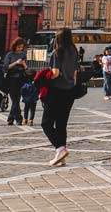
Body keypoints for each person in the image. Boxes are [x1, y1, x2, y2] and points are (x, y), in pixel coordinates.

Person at [41, 28, 79, 167]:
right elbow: (75, 74)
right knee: (61, 124)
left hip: (56, 90)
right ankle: (60, 156)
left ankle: (60, 148)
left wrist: (45, 75)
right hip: (70, 91)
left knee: (46, 123)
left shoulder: (57, 52)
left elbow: (55, 73)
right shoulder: (74, 51)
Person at [3, 38, 29, 126]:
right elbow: (6, 67)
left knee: (16, 99)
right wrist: (16, 63)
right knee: (15, 99)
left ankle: (11, 118)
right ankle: (18, 118)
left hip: (21, 79)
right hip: (12, 79)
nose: (20, 49)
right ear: (14, 46)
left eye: (21, 47)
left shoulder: (23, 55)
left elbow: (27, 68)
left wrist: (24, 64)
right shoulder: (10, 55)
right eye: (18, 47)